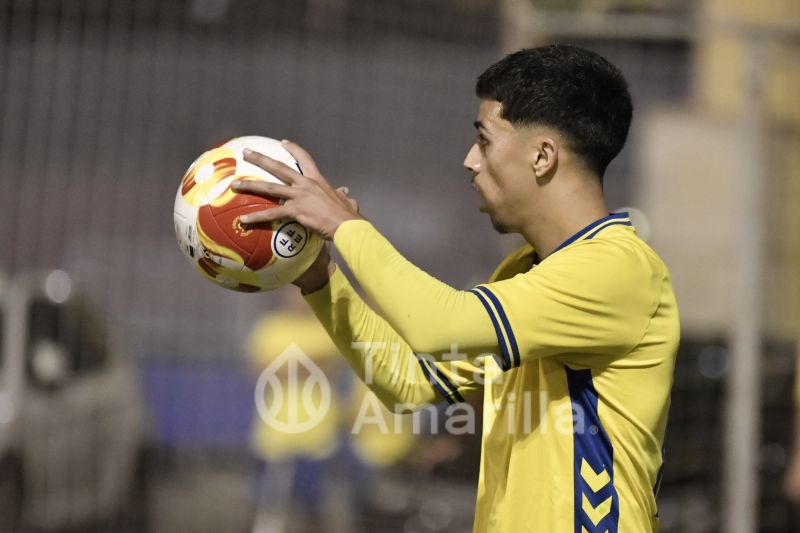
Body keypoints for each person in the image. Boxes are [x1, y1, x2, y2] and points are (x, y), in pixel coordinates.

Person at [232, 44, 680, 533]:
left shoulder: (616, 267)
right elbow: (410, 384)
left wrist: (346, 227)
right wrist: (320, 277)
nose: (470, 161)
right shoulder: (522, 273)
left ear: (543, 155)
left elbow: (438, 323)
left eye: (484, 141)